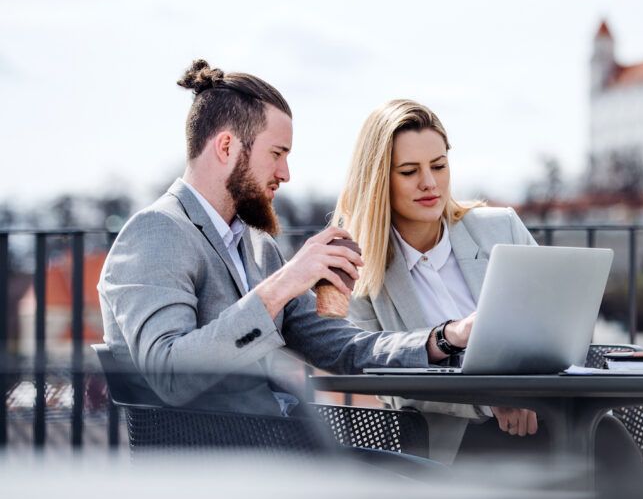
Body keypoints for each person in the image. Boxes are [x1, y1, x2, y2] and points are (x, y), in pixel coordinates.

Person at [332, 99, 643, 499]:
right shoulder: (361, 270)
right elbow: (385, 377)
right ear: (380, 180)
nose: (429, 183)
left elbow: (561, 327)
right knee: (591, 443)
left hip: (540, 422)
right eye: (409, 171)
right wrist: (491, 402)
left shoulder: (497, 228)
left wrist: (529, 395)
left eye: (438, 165)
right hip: (451, 453)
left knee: (580, 451)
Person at [98, 61, 474, 418]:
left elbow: (341, 347)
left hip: (280, 448)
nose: (286, 173)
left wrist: (445, 338)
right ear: (226, 146)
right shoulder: (156, 232)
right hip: (213, 467)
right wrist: (284, 284)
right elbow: (171, 375)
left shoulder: (255, 245)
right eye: (277, 154)